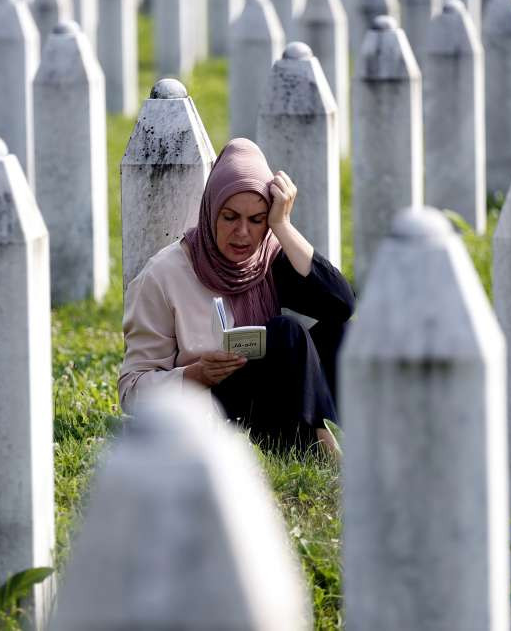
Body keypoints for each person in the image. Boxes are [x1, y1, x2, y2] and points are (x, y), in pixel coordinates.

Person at [119, 138, 355, 453]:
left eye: (256, 220)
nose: (243, 233)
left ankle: (366, 436)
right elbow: (131, 390)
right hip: (212, 408)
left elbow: (341, 304)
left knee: (342, 332)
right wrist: (195, 373)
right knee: (286, 333)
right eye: (230, 217)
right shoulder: (162, 275)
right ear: (211, 210)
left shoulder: (268, 257)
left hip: (275, 395)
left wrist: (282, 226)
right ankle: (323, 446)